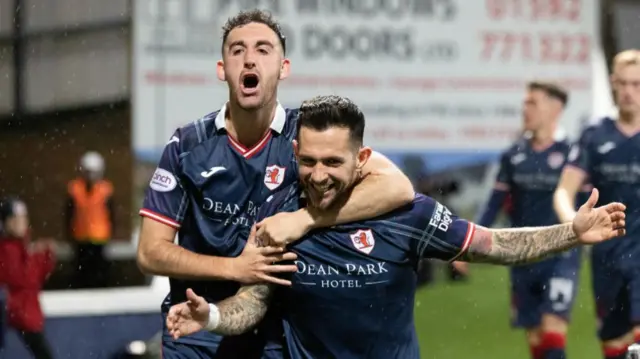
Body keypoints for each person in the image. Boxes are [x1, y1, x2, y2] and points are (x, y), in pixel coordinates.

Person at [164, 95, 627, 359]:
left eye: (332, 161)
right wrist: (214, 317)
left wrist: (571, 232)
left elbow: (492, 244)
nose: (318, 174)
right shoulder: (278, 219)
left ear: (362, 159)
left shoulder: (407, 215)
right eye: (307, 161)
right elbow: (253, 303)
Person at [135, 10, 414, 359]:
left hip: (277, 336)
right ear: (222, 70)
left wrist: (305, 219)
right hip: (197, 329)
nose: (250, 59)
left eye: (263, 50)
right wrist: (234, 267)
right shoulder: (188, 146)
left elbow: (397, 186)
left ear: (283, 68)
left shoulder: (307, 136)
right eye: (237, 51)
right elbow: (150, 252)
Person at [477, 81, 589, 359]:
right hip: (523, 254)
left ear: (555, 108)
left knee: (553, 328)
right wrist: (473, 238)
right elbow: (495, 202)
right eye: (525, 103)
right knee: (535, 335)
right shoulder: (513, 155)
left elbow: (586, 199)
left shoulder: (573, 153)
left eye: (532, 103)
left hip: (562, 256)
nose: (524, 109)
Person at [554, 49, 640, 359]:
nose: (629, 91)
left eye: (637, 84)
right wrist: (574, 224)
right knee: (615, 345)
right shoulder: (594, 135)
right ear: (614, 84)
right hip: (608, 255)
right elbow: (564, 191)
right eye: (624, 83)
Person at [0, 197, 56, 359]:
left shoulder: (24, 248)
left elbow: (37, 276)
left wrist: (45, 255)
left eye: (23, 218)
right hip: (16, 320)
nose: (21, 223)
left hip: (28, 318)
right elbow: (20, 279)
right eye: (15, 219)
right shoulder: (7, 250)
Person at [66, 151, 115, 289]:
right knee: (82, 274)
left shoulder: (106, 190)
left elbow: (112, 214)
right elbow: (69, 214)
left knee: (99, 273)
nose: (91, 175)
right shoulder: (75, 189)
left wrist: (111, 234)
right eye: (88, 171)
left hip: (100, 238)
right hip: (80, 238)